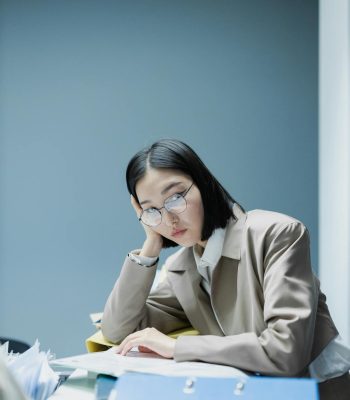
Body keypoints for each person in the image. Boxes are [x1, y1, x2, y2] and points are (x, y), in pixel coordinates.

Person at [102, 139, 350, 399]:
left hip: (321, 392)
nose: (168, 220)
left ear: (203, 183)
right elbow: (117, 330)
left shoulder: (276, 234)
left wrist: (178, 347)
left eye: (175, 197)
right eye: (152, 210)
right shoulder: (182, 268)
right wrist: (151, 244)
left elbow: (285, 351)